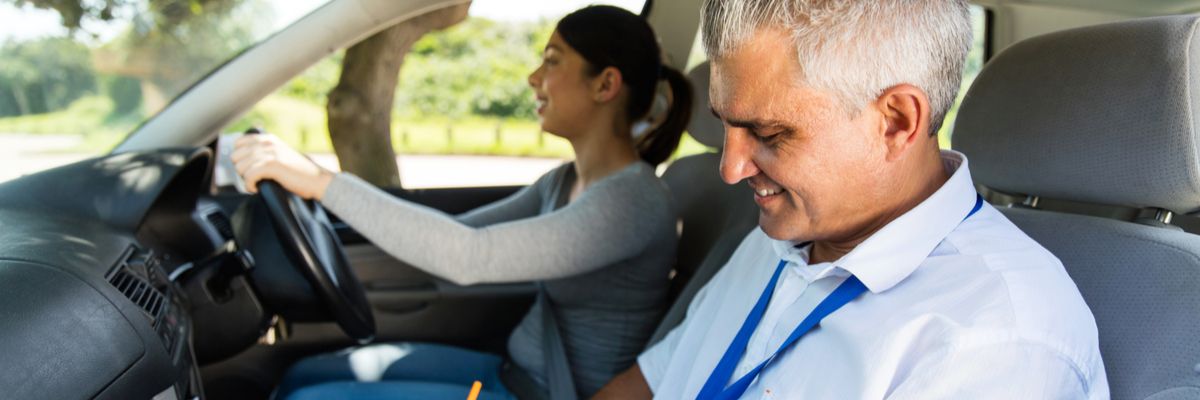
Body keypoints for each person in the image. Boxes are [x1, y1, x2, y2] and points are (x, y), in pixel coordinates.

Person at [593, 0, 1109, 399]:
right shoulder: (777, 238)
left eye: (769, 134)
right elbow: (648, 384)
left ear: (896, 122)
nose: (731, 169)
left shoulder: (996, 340)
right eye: (726, 124)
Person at [231, 5, 692, 400]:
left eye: (552, 61)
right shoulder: (563, 181)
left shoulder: (631, 202)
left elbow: (469, 257)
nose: (534, 77)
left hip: (549, 392)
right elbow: (459, 234)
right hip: (510, 373)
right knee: (303, 375)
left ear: (605, 85)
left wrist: (320, 182)